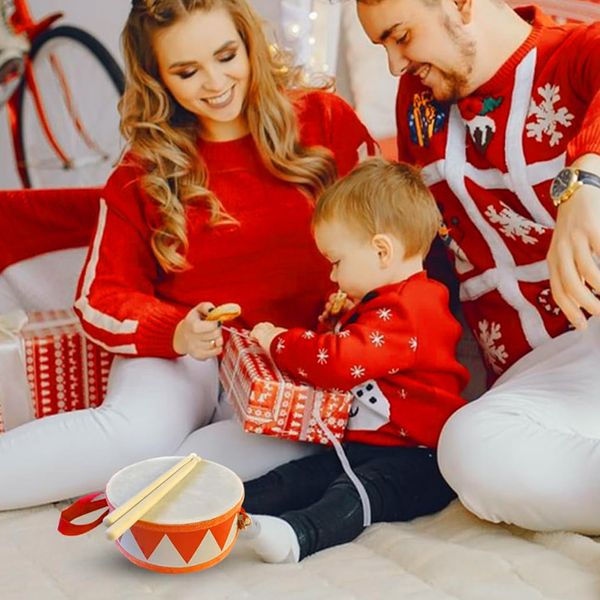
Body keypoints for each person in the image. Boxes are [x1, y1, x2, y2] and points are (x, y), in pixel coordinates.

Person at [0, 0, 376, 510]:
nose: (215, 83)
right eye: (186, 71)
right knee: (135, 437)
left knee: (200, 470)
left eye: (226, 55)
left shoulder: (325, 120)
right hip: (186, 355)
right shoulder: (143, 170)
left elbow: (391, 235)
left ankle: (142, 500)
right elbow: (100, 296)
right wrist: (174, 331)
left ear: (249, 44)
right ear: (157, 77)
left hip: (301, 359)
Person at [354, 0, 600, 533]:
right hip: (547, 377)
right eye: (383, 47)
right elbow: (427, 249)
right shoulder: (418, 102)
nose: (395, 65)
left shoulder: (576, 52)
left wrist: (589, 175)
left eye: (402, 36)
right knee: (468, 448)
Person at [240, 158, 468, 563]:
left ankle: (299, 535)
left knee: (357, 493)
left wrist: (279, 342)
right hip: (365, 448)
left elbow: (339, 362)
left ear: (382, 251)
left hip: (419, 459)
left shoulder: (412, 307)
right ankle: (227, 508)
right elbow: (360, 349)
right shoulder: (386, 305)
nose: (332, 277)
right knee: (297, 478)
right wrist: (333, 322)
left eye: (336, 262)